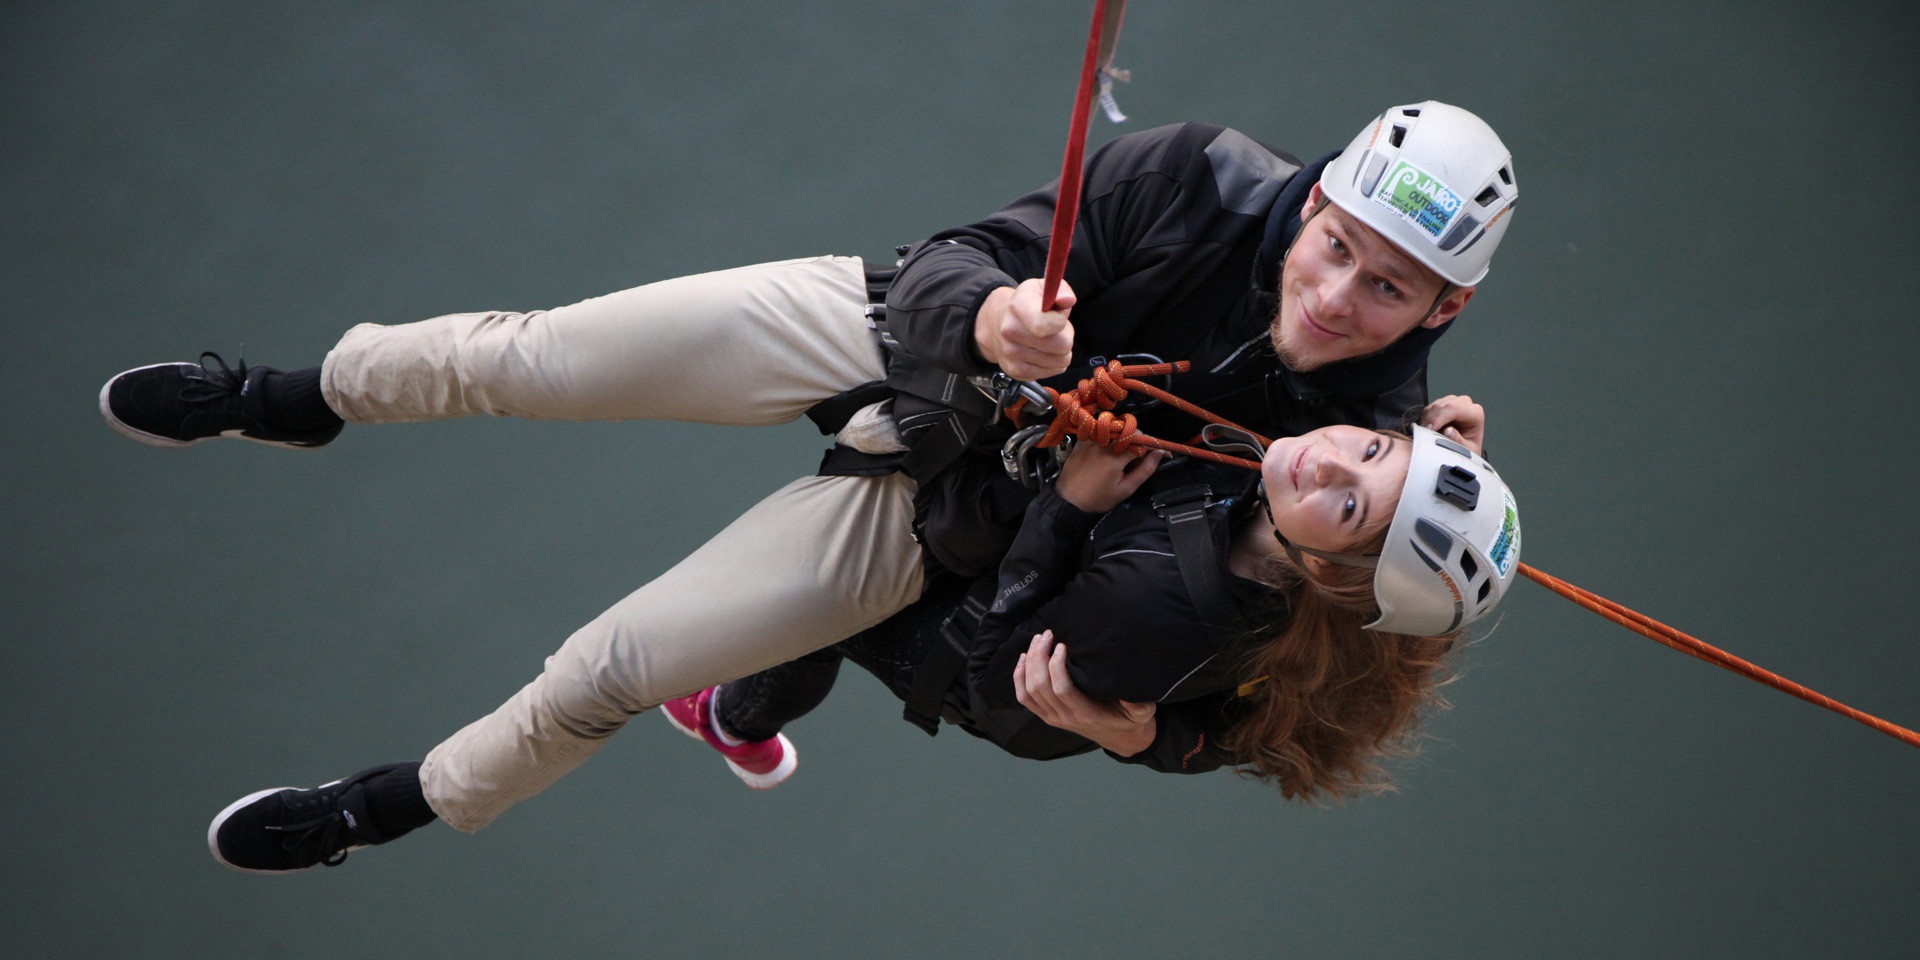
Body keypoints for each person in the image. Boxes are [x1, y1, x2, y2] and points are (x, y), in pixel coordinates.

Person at [98, 102, 1520, 871]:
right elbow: (968, 249)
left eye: (1388, 289)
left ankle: (391, 807)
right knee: (540, 354)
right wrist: (989, 320)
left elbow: (1270, 695)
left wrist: (1148, 736)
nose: (1334, 298)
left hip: (949, 513)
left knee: (608, 668)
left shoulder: (1370, 473)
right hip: (903, 338)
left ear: (1442, 314)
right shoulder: (1198, 175)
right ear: (1317, 193)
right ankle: (290, 399)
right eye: (1332, 245)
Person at [668, 401, 1519, 801]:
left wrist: (1069, 507)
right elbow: (1366, 487)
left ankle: (734, 724)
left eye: (1350, 504)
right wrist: (1443, 460)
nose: (1328, 461)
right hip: (1080, 581)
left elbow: (998, 682)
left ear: (1334, 573)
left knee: (819, 609)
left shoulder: (1167, 609)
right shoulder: (1305, 532)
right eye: (1374, 443)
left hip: (984, 666)